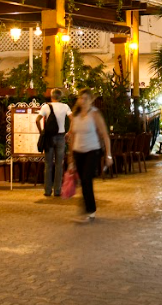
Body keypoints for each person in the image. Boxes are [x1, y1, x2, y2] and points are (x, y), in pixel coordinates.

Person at [67, 88, 112, 223]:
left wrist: (109, 155)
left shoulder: (95, 114)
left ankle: (90, 211)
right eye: (81, 98)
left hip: (92, 151)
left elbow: (105, 135)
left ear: (91, 100)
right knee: (83, 181)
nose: (83, 101)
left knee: (87, 179)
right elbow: (72, 136)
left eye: (86, 98)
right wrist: (70, 157)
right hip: (78, 152)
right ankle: (87, 208)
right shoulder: (75, 116)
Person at [37, 88, 71, 198]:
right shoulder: (65, 107)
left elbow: (37, 119)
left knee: (48, 164)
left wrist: (41, 131)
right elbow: (73, 118)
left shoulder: (46, 107)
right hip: (61, 137)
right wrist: (69, 132)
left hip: (49, 138)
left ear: (51, 96)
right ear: (60, 97)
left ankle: (47, 190)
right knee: (59, 164)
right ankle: (57, 191)